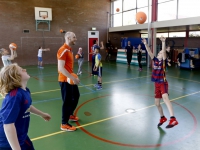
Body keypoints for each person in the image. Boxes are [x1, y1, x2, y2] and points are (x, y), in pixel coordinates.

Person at [0, 63, 51, 150]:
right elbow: (8, 125)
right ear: (15, 76)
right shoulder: (14, 96)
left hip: (21, 135)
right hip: (7, 141)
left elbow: (27, 106)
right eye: (21, 70)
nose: (25, 70)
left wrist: (42, 114)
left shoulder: (25, 91)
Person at [141, 37, 178, 128]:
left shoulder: (163, 62)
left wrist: (163, 42)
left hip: (163, 82)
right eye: (159, 52)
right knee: (157, 103)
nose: (159, 53)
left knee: (165, 98)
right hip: (156, 83)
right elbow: (149, 52)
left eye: (161, 52)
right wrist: (145, 44)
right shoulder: (156, 60)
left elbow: (164, 52)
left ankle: (173, 119)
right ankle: (162, 117)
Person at [57, 31, 80, 131]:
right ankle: (64, 124)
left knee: (76, 96)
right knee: (67, 101)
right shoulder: (63, 50)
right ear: (68, 38)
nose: (76, 39)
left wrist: (73, 77)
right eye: (74, 37)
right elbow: (61, 68)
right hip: (64, 80)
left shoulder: (70, 50)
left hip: (70, 79)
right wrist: (73, 78)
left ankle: (70, 114)